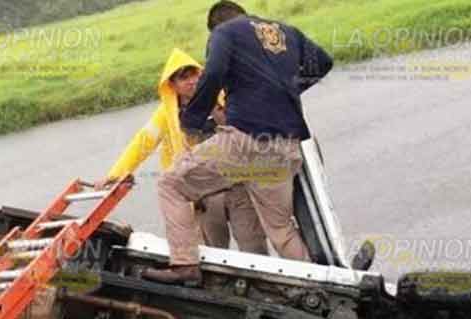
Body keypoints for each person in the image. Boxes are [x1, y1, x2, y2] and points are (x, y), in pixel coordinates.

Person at [143, 1, 334, 286]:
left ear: (215, 25)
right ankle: (321, 285)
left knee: (170, 184)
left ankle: (185, 264)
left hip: (246, 140)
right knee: (281, 229)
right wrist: (286, 89)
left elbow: (215, 71)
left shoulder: (225, 32)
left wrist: (193, 119)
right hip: (286, 144)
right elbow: (323, 61)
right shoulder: (287, 32)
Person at [99, 48, 268, 255]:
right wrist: (115, 174)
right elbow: (142, 143)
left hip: (239, 185)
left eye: (195, 74)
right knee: (215, 254)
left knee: (254, 247)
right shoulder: (167, 114)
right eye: (183, 78)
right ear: (173, 85)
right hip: (204, 194)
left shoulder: (224, 95)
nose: (192, 81)